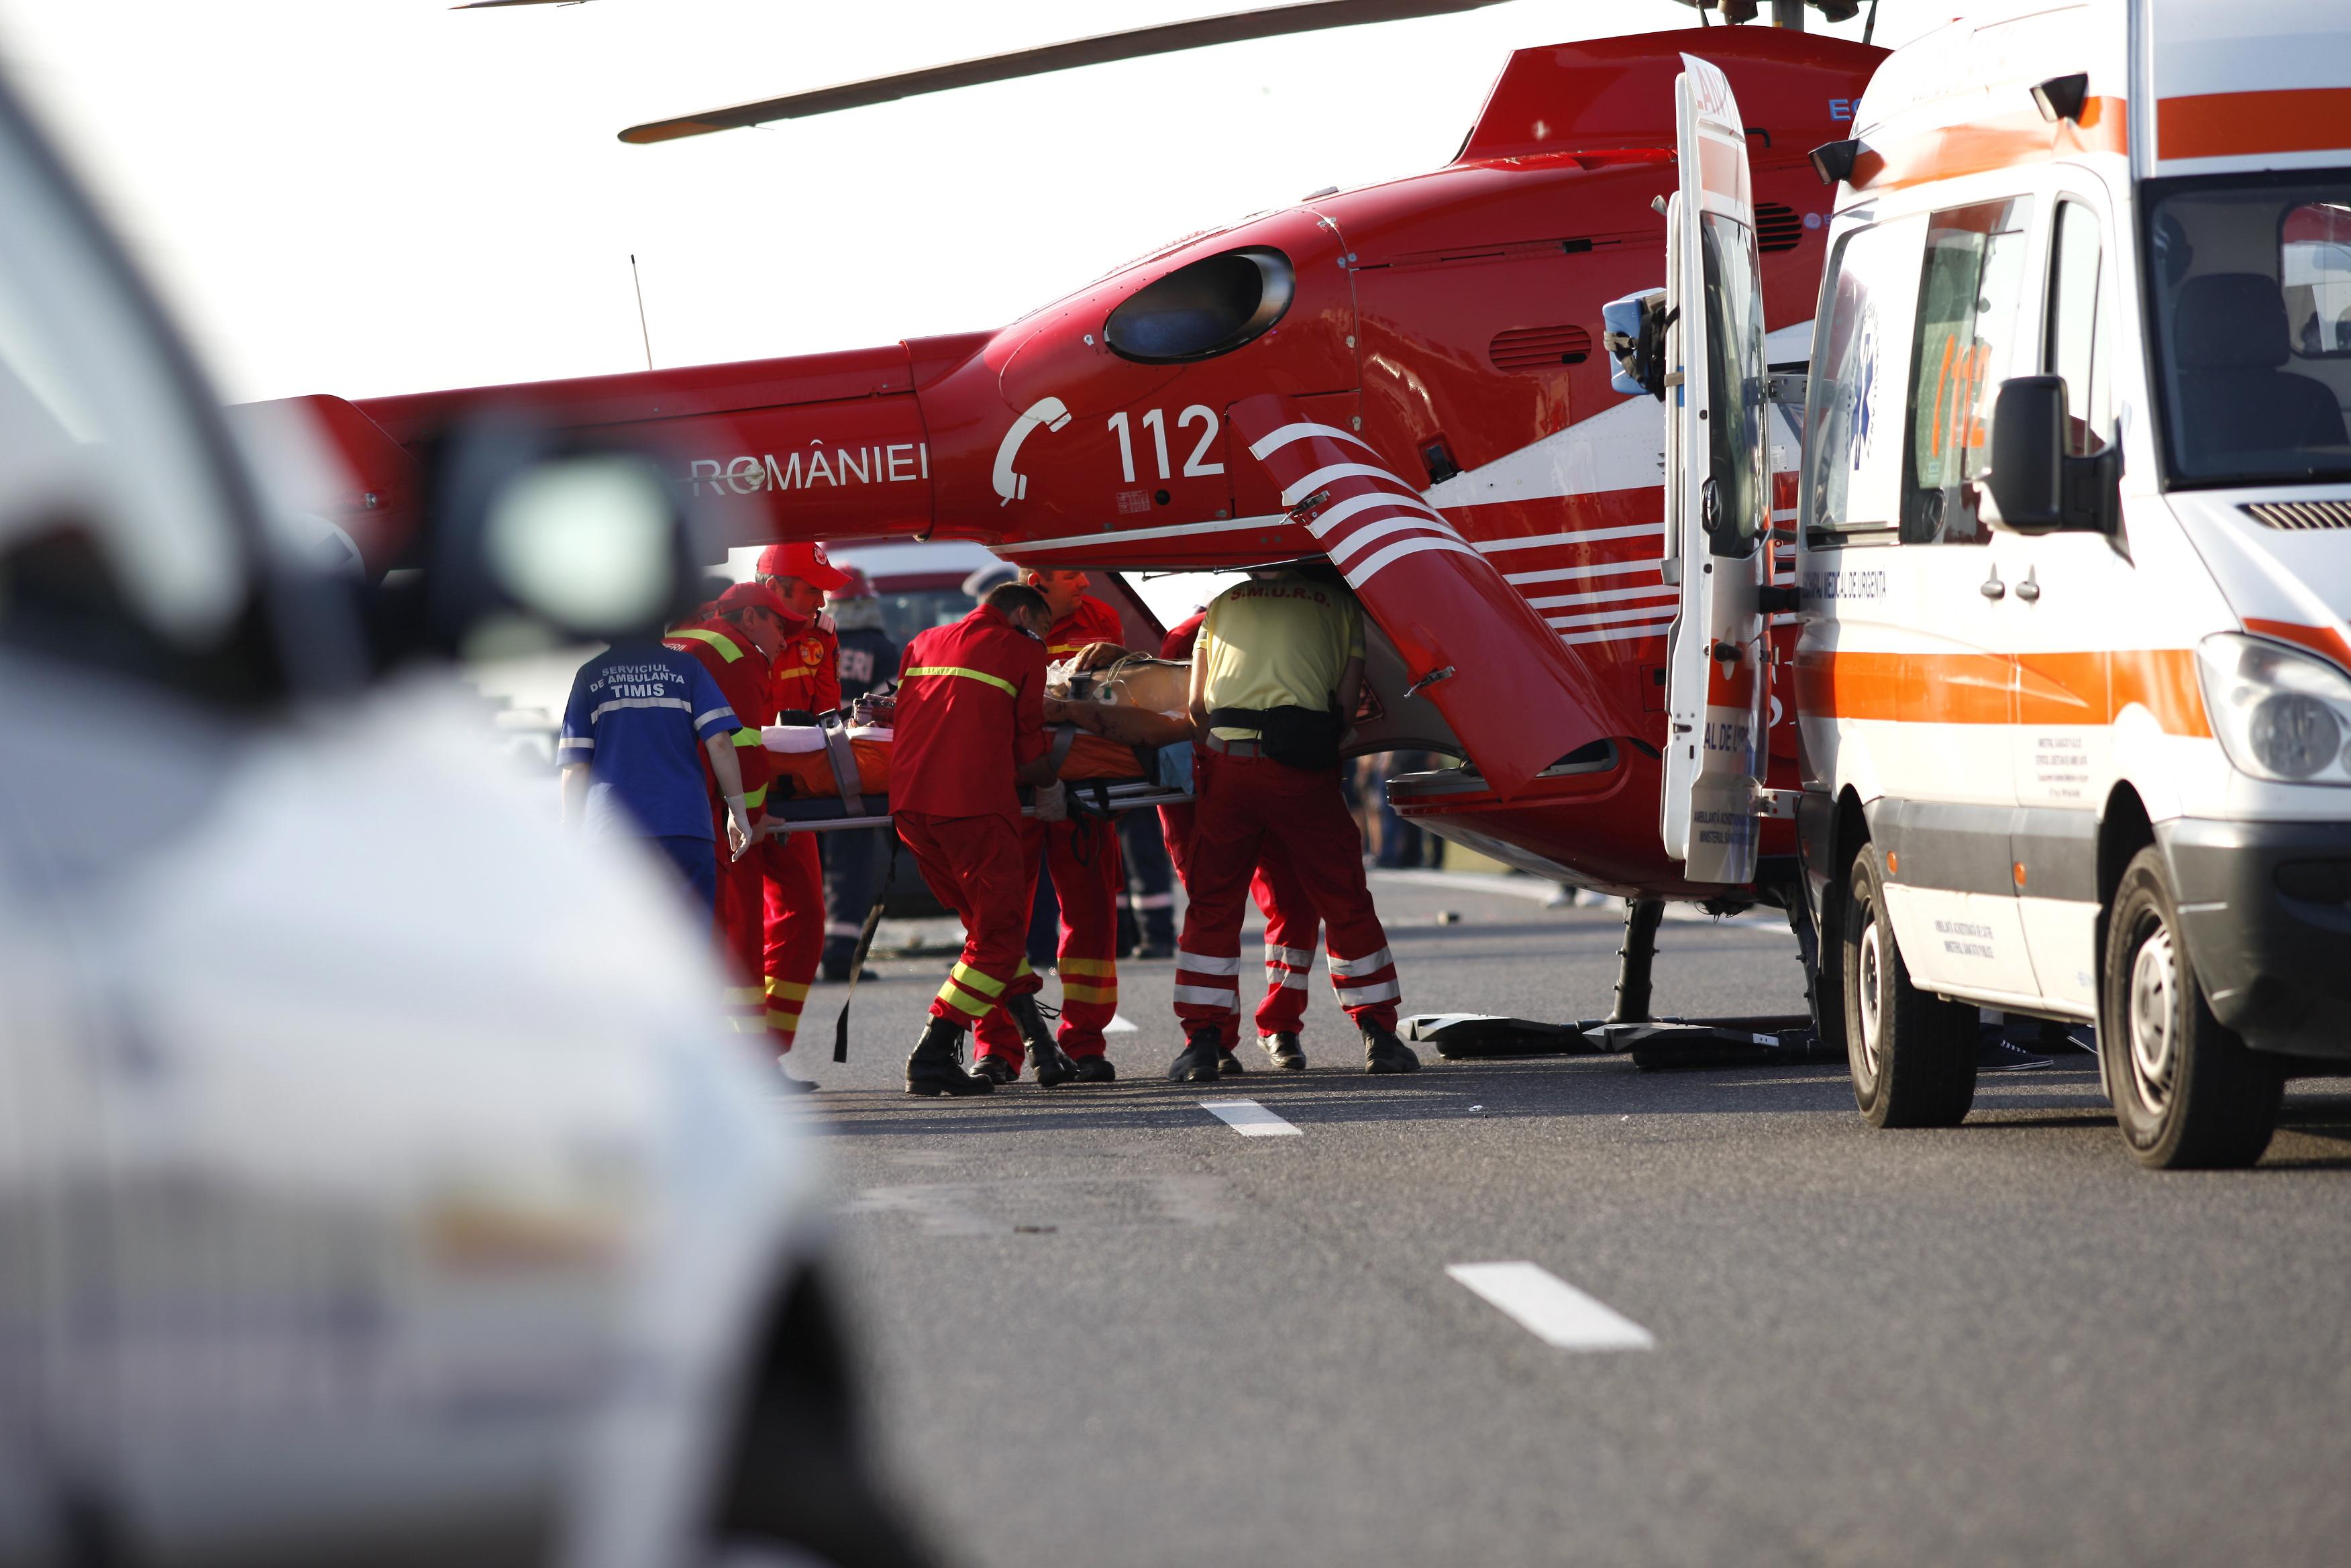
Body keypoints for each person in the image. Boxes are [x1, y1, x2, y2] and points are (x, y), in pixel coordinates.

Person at [1167, 567, 1416, 1081]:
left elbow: (1196, 707)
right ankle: (1379, 1036)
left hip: (1229, 768)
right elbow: (1346, 709)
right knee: (1343, 899)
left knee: (1213, 904)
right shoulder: (1339, 605)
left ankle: (1204, 1043)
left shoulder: (1224, 603)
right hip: (1301, 773)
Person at [892, 580, 1074, 1096]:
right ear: (1020, 615)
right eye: (1042, 627)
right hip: (972, 805)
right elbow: (1029, 749)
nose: (1042, 638)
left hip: (911, 807)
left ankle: (1041, 1046)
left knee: (988, 930)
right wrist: (1051, 782)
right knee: (997, 937)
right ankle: (933, 1050)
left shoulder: (924, 640)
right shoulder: (1021, 650)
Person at [965, 566, 1133, 1084]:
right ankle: (997, 1048)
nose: (1085, 584)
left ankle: (1085, 1043)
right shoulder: (995, 626)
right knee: (1000, 919)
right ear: (1037, 582)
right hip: (1014, 788)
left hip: (1082, 792)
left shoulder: (1100, 618)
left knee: (1092, 916)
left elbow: (1119, 701)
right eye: (1071, 575)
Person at [1159, 606, 1322, 1074]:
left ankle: (1276, 1025)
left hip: (1257, 774)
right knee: (1214, 908)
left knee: (1292, 901)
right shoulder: (1191, 632)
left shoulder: (1300, 615)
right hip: (1200, 784)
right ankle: (1214, 1035)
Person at [665, 581, 810, 1085]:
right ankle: (751, 1065)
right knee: (739, 935)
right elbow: (742, 745)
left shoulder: (681, 640)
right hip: (711, 813)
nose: (785, 638)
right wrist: (749, 819)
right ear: (750, 619)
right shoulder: (737, 655)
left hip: (666, 807)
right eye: (779, 625)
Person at [560, 637, 752, 919]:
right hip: (684, 827)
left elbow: (576, 765)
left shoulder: (591, 675)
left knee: (623, 944)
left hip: (613, 832)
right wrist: (738, 811)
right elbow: (720, 743)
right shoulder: (687, 669)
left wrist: (569, 829)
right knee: (689, 948)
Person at [751, 540, 848, 1065]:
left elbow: (828, 716)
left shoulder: (821, 637)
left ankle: (763, 1056)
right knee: (734, 929)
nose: (821, 600)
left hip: (791, 801)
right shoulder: (721, 630)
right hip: (722, 798)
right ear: (773, 589)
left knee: (806, 921)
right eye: (812, 589)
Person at [819, 566, 900, 984]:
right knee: (850, 861)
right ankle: (840, 956)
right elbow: (892, 711)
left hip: (803, 767)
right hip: (857, 768)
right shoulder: (883, 650)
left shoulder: (810, 643)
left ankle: (800, 952)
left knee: (805, 862)